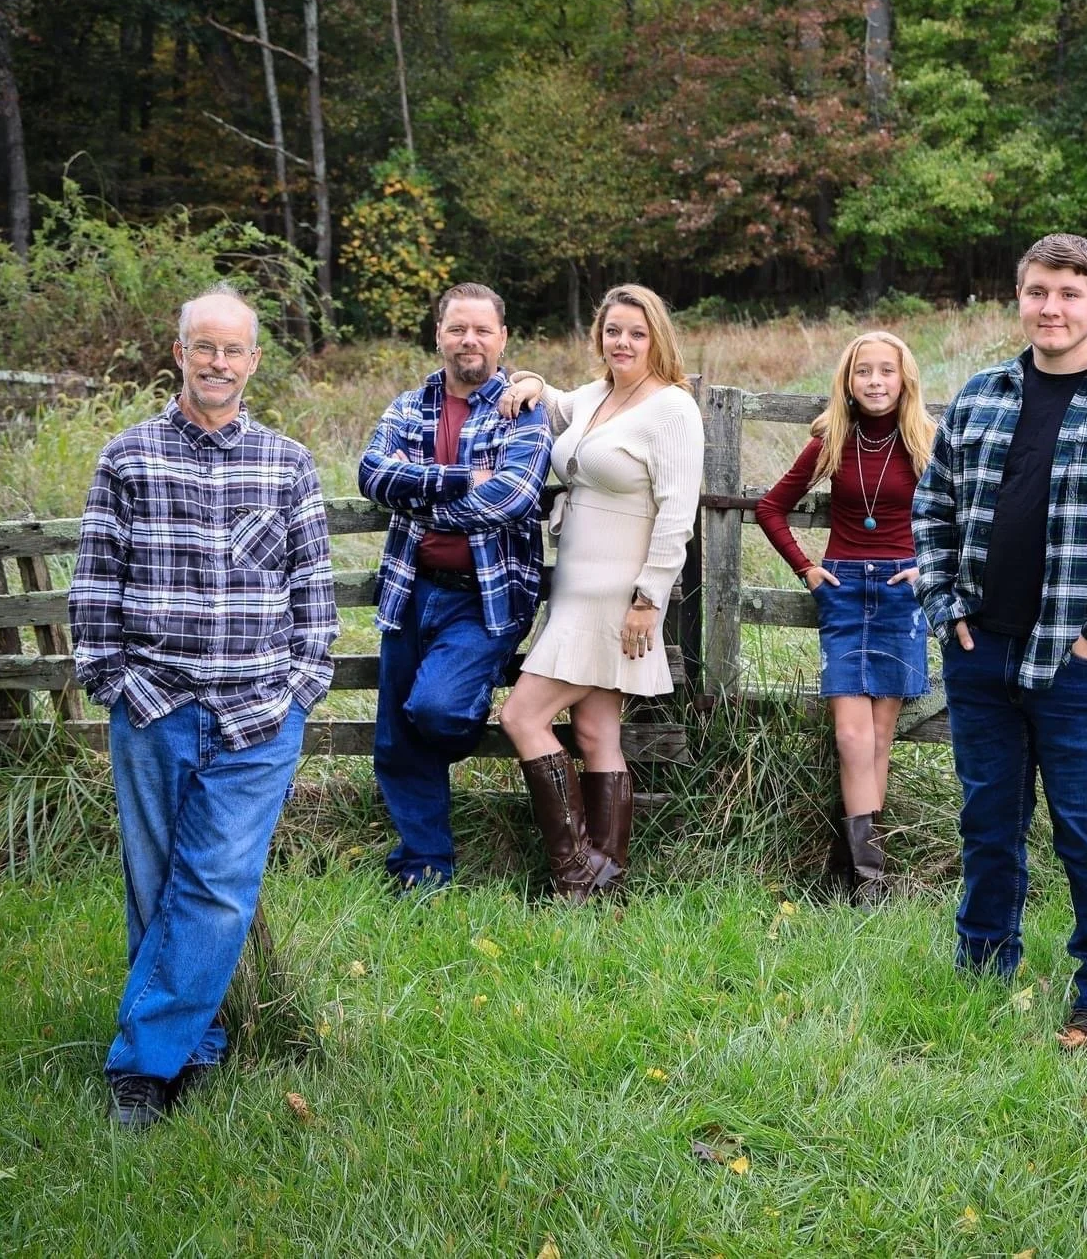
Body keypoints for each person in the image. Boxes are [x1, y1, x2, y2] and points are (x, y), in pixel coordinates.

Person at [70, 283, 338, 1129]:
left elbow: (315, 598)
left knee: (218, 885)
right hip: (153, 706)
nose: (219, 362)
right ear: (179, 353)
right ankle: (193, 1044)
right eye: (204, 347)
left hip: (259, 713)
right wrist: (117, 684)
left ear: (254, 361)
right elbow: (92, 589)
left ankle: (142, 1068)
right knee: (154, 886)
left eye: (234, 350)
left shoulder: (287, 462)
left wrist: (299, 689)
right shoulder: (128, 456)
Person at [913, 232, 1087, 1051]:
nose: (1052, 308)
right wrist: (943, 604)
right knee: (987, 820)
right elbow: (934, 510)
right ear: (1020, 298)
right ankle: (982, 969)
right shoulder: (982, 394)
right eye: (1038, 291)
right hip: (981, 651)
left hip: (1079, 662)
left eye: (1070, 293)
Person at [499, 285, 704, 901]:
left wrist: (649, 600)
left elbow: (677, 515)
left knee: (522, 715)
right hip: (572, 586)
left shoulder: (673, 410)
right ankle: (604, 880)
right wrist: (532, 381)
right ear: (599, 336)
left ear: (657, 339)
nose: (623, 343)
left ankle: (573, 874)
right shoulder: (593, 398)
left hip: (617, 595)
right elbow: (555, 404)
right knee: (595, 735)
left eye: (636, 334)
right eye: (613, 331)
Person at [357, 283, 556, 894]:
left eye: (482, 330)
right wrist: (461, 479)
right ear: (439, 333)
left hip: (486, 597)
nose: (469, 340)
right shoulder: (406, 406)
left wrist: (420, 502)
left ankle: (465, 711)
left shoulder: (526, 409)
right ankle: (424, 869)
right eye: (457, 328)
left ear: (502, 338)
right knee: (394, 739)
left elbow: (513, 497)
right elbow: (372, 474)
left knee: (435, 710)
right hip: (409, 589)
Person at [755, 332, 936, 904]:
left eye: (887, 370)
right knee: (852, 736)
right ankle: (868, 878)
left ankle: (856, 873)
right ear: (848, 381)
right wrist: (806, 568)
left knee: (881, 736)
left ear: (904, 378)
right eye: (864, 372)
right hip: (844, 590)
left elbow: (968, 516)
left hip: (903, 592)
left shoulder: (928, 442)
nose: (876, 381)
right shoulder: (831, 440)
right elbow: (770, 507)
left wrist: (929, 568)